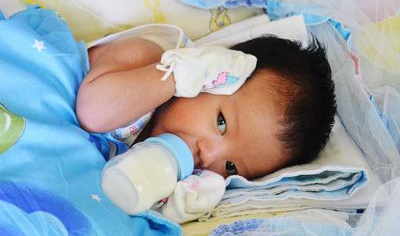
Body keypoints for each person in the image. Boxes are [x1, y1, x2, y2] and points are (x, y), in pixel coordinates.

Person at [76, 35, 336, 180]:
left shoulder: (173, 172)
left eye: (231, 166)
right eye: (221, 123)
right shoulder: (151, 61)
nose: (209, 156)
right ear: (215, 73)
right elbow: (92, 114)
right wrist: (179, 75)